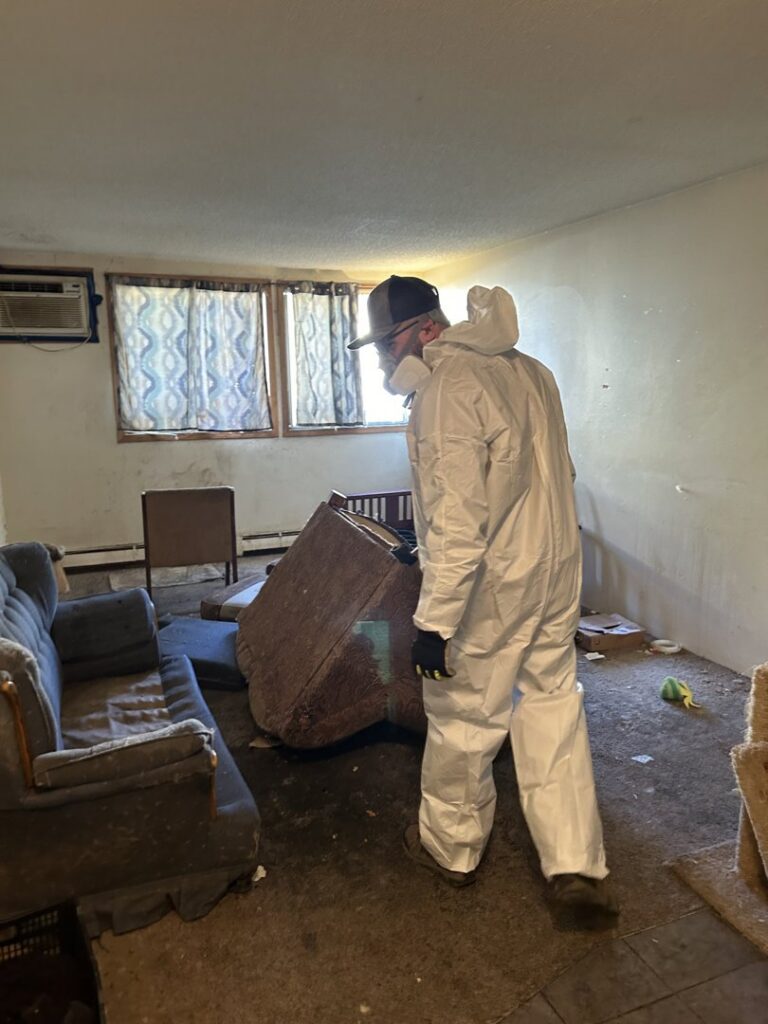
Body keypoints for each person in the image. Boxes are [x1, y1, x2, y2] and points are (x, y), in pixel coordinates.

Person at [348, 275, 617, 920]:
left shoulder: (448, 388)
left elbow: (456, 520)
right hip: (555, 571)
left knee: (465, 714)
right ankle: (575, 864)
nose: (384, 358)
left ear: (424, 330)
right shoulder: (533, 372)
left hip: (494, 584)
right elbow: (557, 475)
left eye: (386, 344)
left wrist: (434, 622)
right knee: (552, 703)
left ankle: (451, 849)